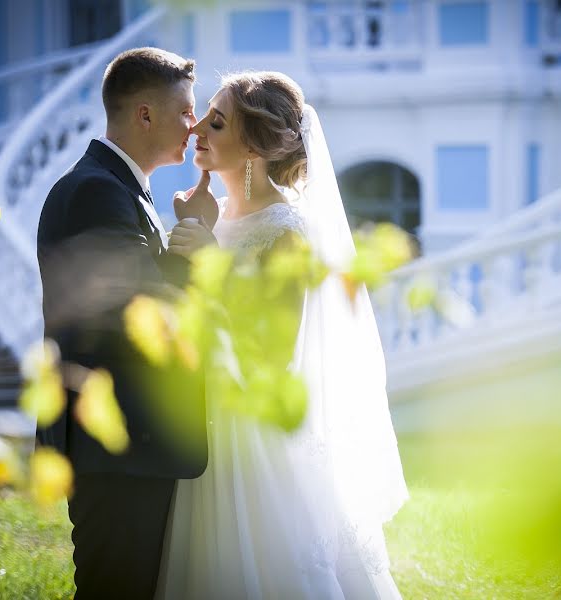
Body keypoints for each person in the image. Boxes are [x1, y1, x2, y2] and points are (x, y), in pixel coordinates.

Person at [156, 71, 408, 599]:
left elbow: (273, 356)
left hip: (252, 444)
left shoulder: (287, 233)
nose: (196, 126)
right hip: (203, 428)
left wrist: (208, 261)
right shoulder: (217, 217)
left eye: (216, 121)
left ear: (253, 146)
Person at [36, 47, 208, 599]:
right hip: (116, 450)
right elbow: (139, 315)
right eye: (186, 111)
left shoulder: (120, 188)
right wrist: (195, 248)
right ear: (144, 115)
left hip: (127, 446)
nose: (195, 124)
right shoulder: (96, 191)